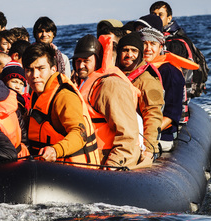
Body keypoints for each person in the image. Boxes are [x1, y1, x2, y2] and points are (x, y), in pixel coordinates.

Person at [73, 34, 145, 169]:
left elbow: (128, 134)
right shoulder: (84, 82)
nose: (81, 65)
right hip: (91, 159)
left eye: (86, 60)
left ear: (98, 60)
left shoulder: (110, 85)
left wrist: (114, 164)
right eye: (77, 61)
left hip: (110, 160)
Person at [23, 43, 100, 166]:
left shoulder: (64, 96)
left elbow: (80, 134)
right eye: (29, 70)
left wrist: (55, 150)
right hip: (49, 169)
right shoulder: (36, 94)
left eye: (41, 68)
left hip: (75, 172)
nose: (34, 75)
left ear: (53, 69)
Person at [141, 27, 194, 152]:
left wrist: (146, 136)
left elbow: (171, 114)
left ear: (160, 47)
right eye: (144, 43)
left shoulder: (170, 72)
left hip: (161, 137)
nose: (148, 48)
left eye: (153, 44)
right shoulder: (138, 69)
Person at [116, 32, 164, 165]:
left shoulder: (148, 81)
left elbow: (153, 116)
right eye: (125, 50)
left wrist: (149, 150)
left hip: (138, 144)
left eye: (134, 51)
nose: (129, 55)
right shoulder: (115, 74)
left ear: (140, 54)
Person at [150, 1, 209, 98]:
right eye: (153, 14)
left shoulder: (176, 42)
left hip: (178, 91)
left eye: (160, 15)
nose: (156, 18)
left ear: (169, 18)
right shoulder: (157, 37)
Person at [0, 63, 30, 143]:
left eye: (21, 84)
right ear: (5, 82)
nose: (18, 86)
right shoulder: (2, 99)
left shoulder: (26, 100)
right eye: (14, 82)